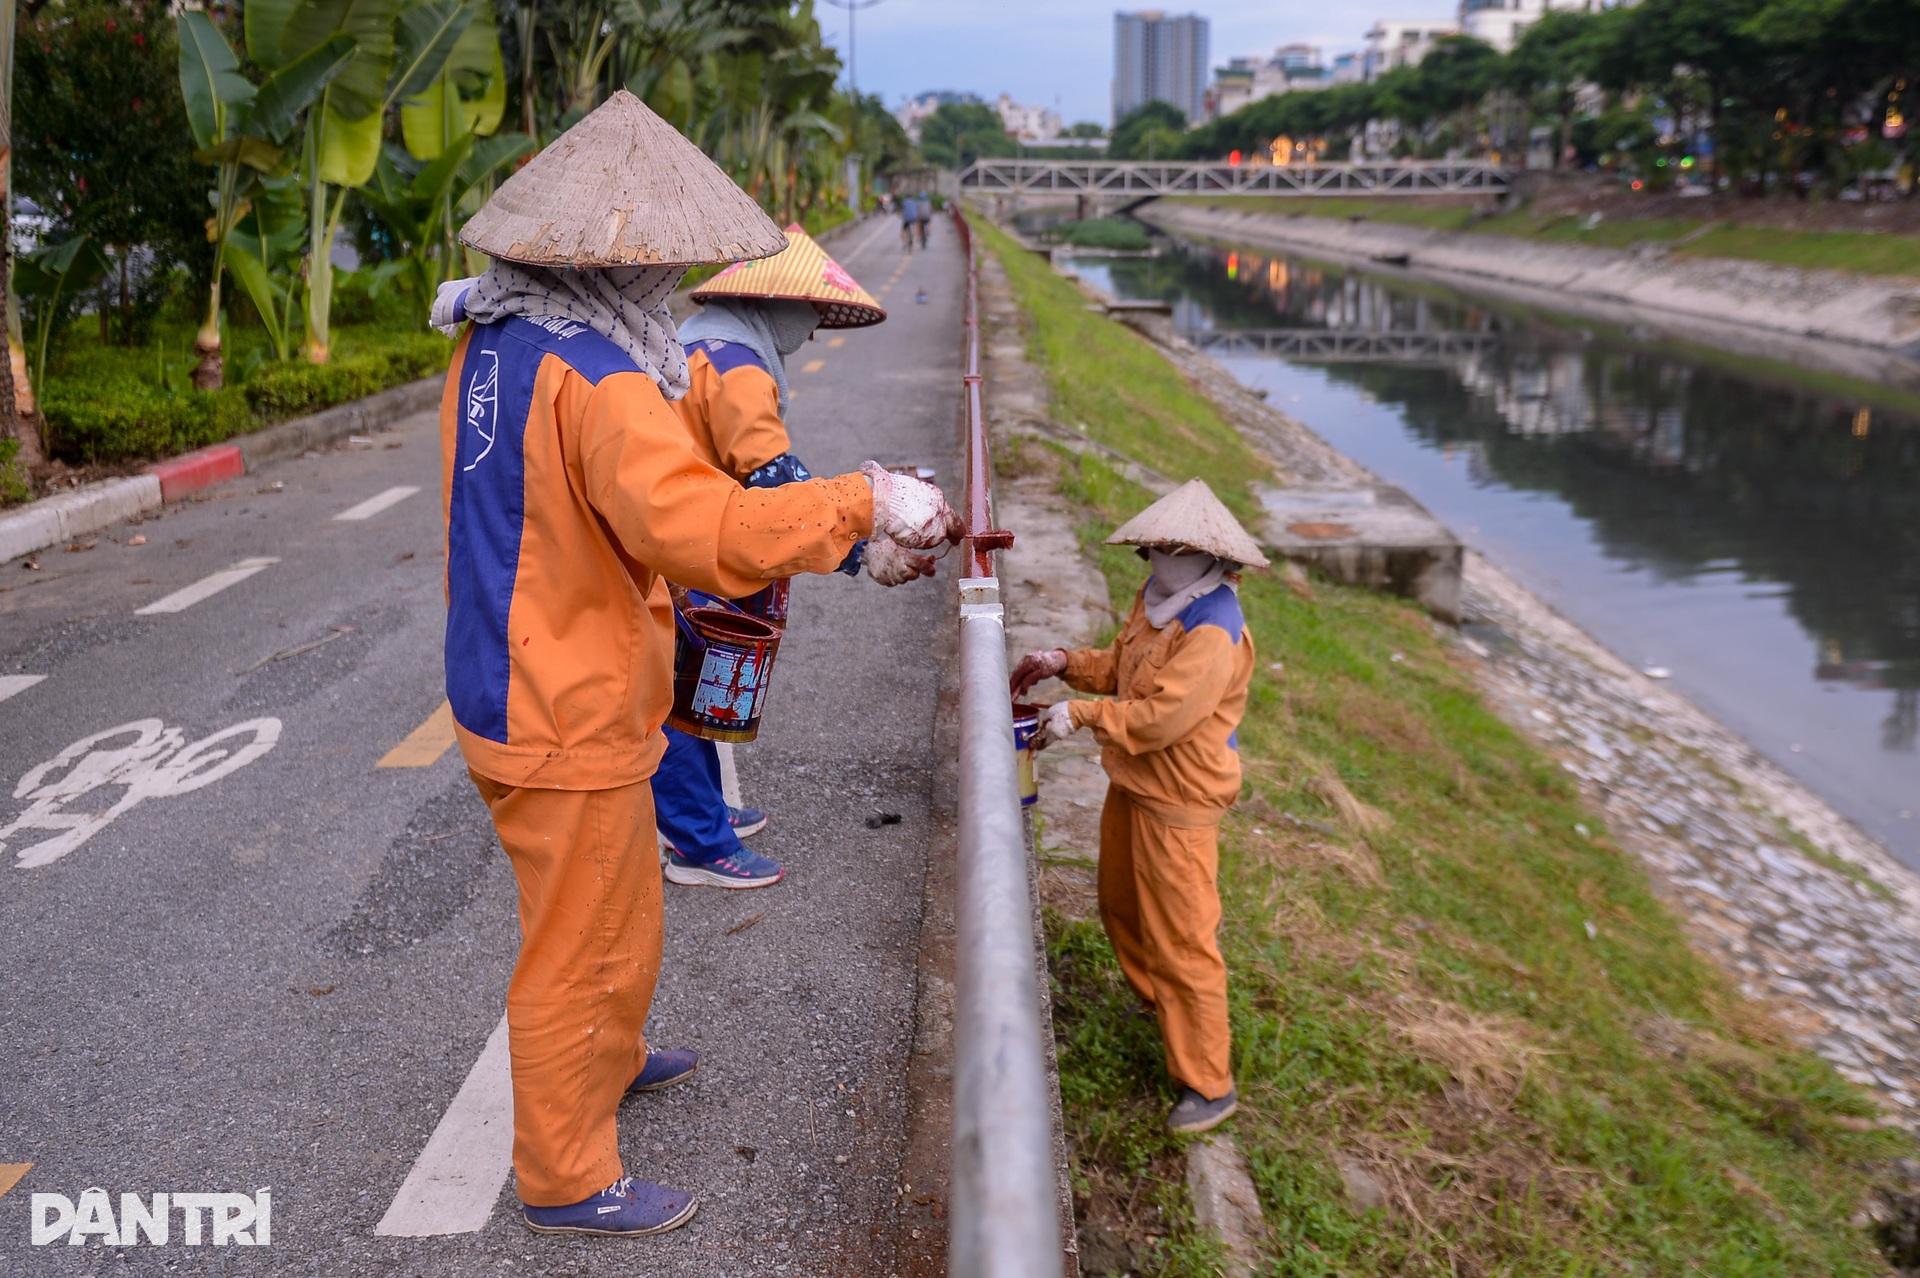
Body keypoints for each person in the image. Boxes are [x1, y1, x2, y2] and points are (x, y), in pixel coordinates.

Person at [436, 91, 963, 1239]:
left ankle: (609, 1060)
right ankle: (567, 1177)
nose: (675, 279)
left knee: (618, 910)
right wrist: (864, 501)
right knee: (579, 945)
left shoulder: (498, 336)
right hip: (561, 696)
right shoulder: (604, 377)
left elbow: (643, 505)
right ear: (634, 256)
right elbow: (705, 533)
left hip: (521, 673)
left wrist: (835, 535)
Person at [650, 222, 923, 889]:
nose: (814, 330)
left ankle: (709, 811)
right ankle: (696, 844)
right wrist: (864, 547)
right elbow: (777, 479)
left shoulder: (699, 342)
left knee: (692, 686)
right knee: (674, 695)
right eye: (809, 313)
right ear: (773, 304)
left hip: (674, 530)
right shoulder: (740, 368)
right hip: (692, 548)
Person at [1010, 479, 1263, 1136]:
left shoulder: (1214, 628)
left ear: (1206, 554)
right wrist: (1064, 662)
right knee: (1120, 905)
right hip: (1134, 786)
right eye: (1150, 547)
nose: (1156, 557)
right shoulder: (1157, 601)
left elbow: (1160, 719)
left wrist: (1081, 715)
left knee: (1183, 939)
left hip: (1179, 800)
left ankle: (1209, 1083)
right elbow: (1121, 669)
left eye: (1168, 547)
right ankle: (1162, 1007)